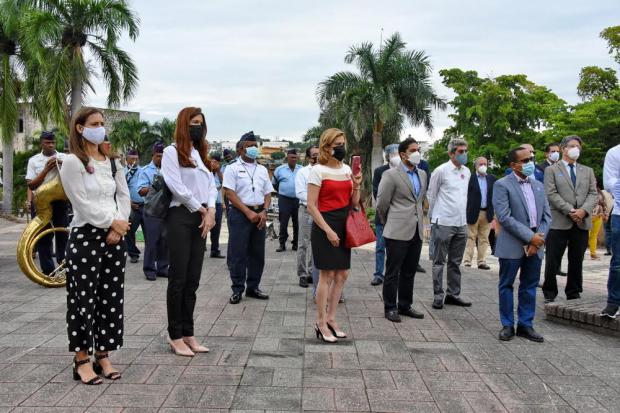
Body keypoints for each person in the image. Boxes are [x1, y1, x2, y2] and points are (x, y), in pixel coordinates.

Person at [60, 107, 131, 384]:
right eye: (94, 123)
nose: (100, 127)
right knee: (83, 300)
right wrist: (111, 224)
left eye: (102, 123)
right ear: (80, 128)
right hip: (86, 237)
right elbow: (81, 204)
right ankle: (81, 359)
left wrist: (121, 224)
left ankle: (103, 355)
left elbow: (123, 197)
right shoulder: (72, 162)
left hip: (115, 236)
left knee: (111, 299)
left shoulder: (113, 162)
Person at [162, 107, 217, 356]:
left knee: (193, 280)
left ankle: (189, 333)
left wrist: (211, 209)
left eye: (201, 123)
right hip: (181, 217)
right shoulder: (171, 152)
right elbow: (176, 186)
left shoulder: (199, 152)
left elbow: (211, 186)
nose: (198, 126)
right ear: (184, 124)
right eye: (194, 122)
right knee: (178, 279)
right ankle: (175, 335)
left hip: (201, 217)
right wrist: (200, 209)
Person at [307, 128, 362, 343]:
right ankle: (320, 322)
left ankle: (331, 318)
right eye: (337, 144)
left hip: (343, 222)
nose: (341, 148)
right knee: (326, 275)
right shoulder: (317, 171)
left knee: (342, 274)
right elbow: (311, 206)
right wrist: (328, 230)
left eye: (343, 143)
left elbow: (354, 203)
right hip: (324, 223)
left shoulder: (347, 169)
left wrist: (357, 185)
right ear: (326, 147)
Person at [493, 147, 551, 342]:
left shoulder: (538, 185)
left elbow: (546, 216)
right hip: (513, 243)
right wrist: (530, 237)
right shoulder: (502, 185)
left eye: (531, 159)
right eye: (525, 161)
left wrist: (538, 239)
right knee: (507, 284)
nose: (530, 163)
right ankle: (507, 324)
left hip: (537, 242)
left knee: (529, 285)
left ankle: (526, 324)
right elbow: (504, 217)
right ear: (513, 165)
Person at [376, 137, 426, 323]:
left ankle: (405, 304)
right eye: (413, 150)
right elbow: (382, 203)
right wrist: (389, 221)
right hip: (397, 229)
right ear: (403, 154)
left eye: (418, 149)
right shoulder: (391, 175)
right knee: (392, 271)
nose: (417, 153)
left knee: (409, 270)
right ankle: (390, 307)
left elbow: (419, 201)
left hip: (416, 230)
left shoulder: (422, 174)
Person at [542, 135, 597, 303]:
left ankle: (573, 291)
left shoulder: (587, 171)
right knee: (553, 259)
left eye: (578, 146)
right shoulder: (551, 170)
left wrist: (583, 211)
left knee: (577, 259)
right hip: (559, 221)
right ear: (563, 148)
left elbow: (593, 193)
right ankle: (550, 292)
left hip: (581, 222)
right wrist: (570, 210)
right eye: (572, 146)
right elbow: (551, 193)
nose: (576, 149)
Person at [223, 131, 273, 304]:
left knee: (257, 253)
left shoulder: (262, 169)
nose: (253, 148)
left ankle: (253, 287)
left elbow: (268, 193)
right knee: (238, 253)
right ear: (240, 149)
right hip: (240, 215)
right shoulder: (232, 168)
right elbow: (230, 193)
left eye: (255, 145)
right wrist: (247, 212)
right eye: (249, 146)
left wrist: (264, 211)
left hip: (259, 214)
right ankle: (237, 289)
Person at [427, 138, 471, 309]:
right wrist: (433, 220)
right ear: (451, 153)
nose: (464, 154)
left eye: (465, 151)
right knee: (439, 261)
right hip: (443, 221)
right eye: (460, 151)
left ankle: (453, 294)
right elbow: (431, 195)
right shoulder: (441, 171)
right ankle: (438, 295)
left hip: (461, 222)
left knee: (455, 262)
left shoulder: (467, 171)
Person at [26, 130, 69, 275]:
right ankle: (48, 271)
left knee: (62, 234)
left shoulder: (64, 157)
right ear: (41, 144)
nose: (50, 145)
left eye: (52, 142)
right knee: (43, 237)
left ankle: (63, 265)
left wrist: (65, 166)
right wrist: (45, 170)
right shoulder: (33, 160)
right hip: (41, 202)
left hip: (59, 201)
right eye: (47, 143)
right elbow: (31, 185)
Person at [137, 143, 169, 280]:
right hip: (151, 210)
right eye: (158, 156)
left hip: (166, 210)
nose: (160, 159)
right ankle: (149, 269)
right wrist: (154, 186)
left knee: (165, 240)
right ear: (153, 156)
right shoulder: (145, 171)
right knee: (152, 240)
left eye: (163, 156)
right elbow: (140, 190)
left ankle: (162, 268)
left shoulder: (169, 169)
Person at [371, 144, 399, 286]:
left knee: (396, 248)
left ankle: (393, 274)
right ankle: (378, 274)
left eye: (398, 153)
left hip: (399, 216)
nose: (396, 156)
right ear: (387, 156)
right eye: (393, 154)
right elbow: (377, 193)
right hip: (383, 214)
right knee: (380, 247)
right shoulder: (379, 171)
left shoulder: (404, 171)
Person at [464, 157, 496, 270]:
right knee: (470, 237)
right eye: (480, 164)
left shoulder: (492, 179)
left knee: (484, 238)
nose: (483, 166)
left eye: (485, 164)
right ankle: (467, 261)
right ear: (476, 165)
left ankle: (481, 261)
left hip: (487, 212)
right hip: (473, 212)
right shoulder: (470, 178)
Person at [295, 145, 319, 288]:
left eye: (319, 153)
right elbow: (300, 193)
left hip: (321, 211)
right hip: (306, 210)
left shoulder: (324, 170)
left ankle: (312, 272)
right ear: (309, 157)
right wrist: (315, 200)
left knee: (316, 243)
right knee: (303, 243)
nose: (317, 156)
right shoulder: (302, 172)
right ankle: (302, 274)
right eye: (315, 154)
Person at [601, 143, 620, 319]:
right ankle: (614, 302)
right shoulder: (615, 152)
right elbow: (609, 183)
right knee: (618, 262)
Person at [273, 149, 301, 252]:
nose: (294, 159)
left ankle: (296, 244)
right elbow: (275, 184)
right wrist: (283, 191)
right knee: (283, 222)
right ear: (287, 157)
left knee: (297, 222)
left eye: (295, 157)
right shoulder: (279, 169)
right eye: (291, 157)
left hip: (298, 199)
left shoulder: (301, 169)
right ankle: (282, 244)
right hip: (284, 199)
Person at [124, 149, 143, 264]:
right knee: (129, 232)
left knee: (150, 232)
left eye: (136, 159)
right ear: (126, 160)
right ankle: (133, 254)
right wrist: (129, 203)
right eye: (132, 159)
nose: (134, 161)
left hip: (145, 206)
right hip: (132, 207)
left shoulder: (143, 171)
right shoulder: (122, 172)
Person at [208, 152, 226, 259]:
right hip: (206, 204)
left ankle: (215, 250)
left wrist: (218, 170)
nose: (214, 163)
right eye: (212, 161)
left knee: (216, 228)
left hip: (217, 203)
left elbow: (225, 182)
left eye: (216, 161)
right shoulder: (205, 171)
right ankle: (200, 249)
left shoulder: (220, 172)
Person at [588, 187, 609, 260]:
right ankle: (579, 253)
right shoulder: (584, 190)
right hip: (587, 216)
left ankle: (593, 254)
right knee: (585, 235)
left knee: (594, 235)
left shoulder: (599, 192)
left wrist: (606, 214)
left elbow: (604, 203)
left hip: (598, 216)